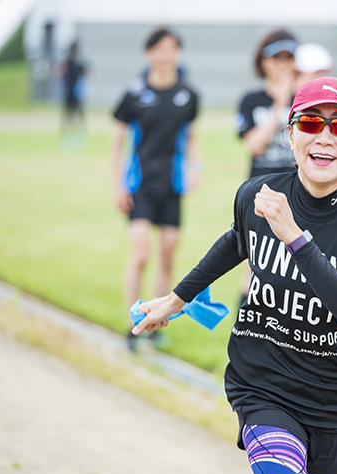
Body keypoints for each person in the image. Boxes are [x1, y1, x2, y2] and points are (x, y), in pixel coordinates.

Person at [132, 76, 337, 474]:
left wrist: (297, 239)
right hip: (266, 385)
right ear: (291, 132)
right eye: (311, 123)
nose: (324, 137)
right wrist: (176, 299)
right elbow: (236, 240)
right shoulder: (258, 197)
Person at [110, 27, 201, 350]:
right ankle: (132, 322)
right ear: (149, 53)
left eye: (172, 49)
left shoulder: (187, 94)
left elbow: (191, 136)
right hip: (140, 186)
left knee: (166, 258)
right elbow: (118, 141)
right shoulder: (134, 93)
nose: (165, 55)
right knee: (140, 256)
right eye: (159, 49)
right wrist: (117, 185)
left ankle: (157, 323)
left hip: (172, 187)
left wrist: (196, 168)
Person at [235, 29, 298, 179]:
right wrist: (279, 105)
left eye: (288, 57)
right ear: (263, 61)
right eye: (276, 57)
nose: (282, 64)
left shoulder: (303, 100)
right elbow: (254, 147)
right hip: (261, 183)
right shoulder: (251, 99)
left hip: (298, 185)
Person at [60, 41, 88, 149]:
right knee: (75, 116)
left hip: (72, 93)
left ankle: (71, 136)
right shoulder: (73, 63)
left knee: (73, 116)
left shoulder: (69, 62)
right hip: (73, 94)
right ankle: (74, 136)